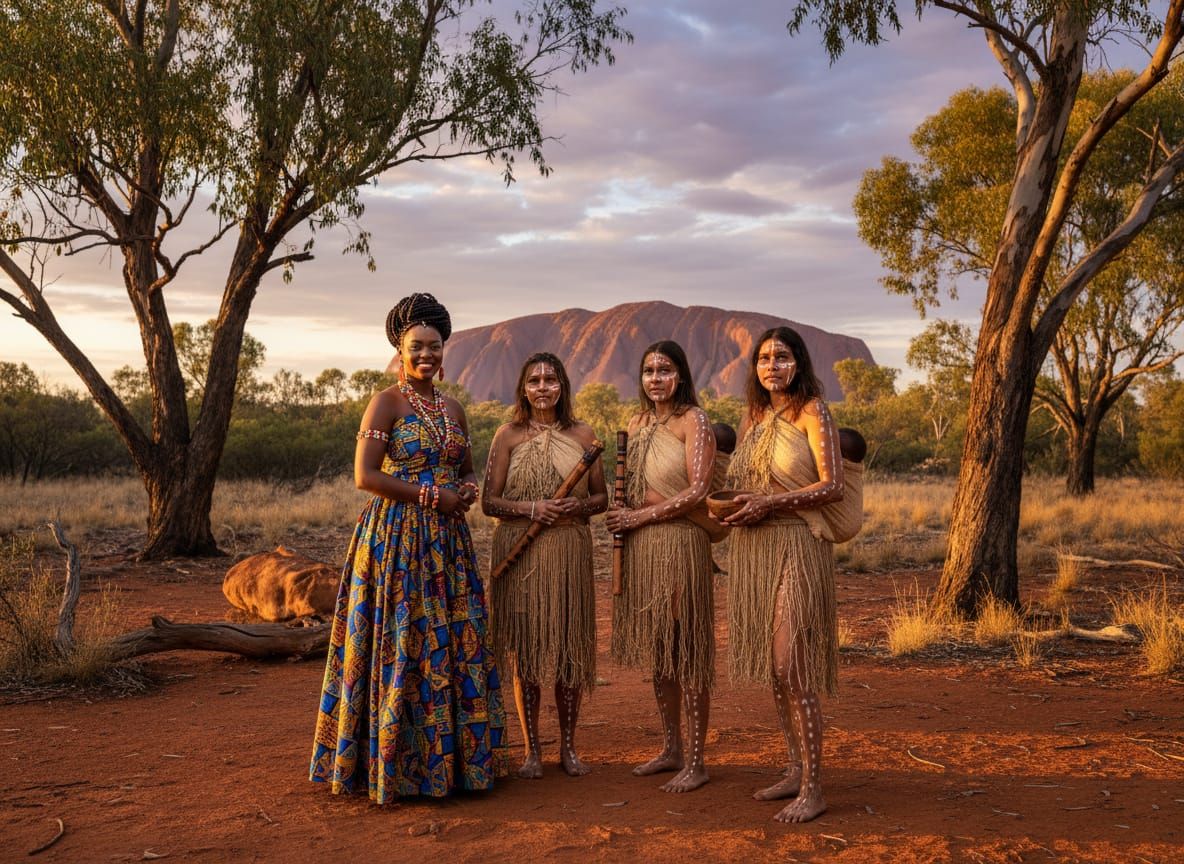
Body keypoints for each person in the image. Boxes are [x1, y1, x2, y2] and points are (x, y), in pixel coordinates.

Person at [310, 293, 508, 802]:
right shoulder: (386, 402)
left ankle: (453, 767)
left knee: (447, 639)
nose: (426, 354)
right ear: (400, 351)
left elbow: (466, 469)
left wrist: (464, 490)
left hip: (447, 543)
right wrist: (427, 495)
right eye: (416, 346)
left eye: (434, 346)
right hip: (395, 538)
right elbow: (364, 475)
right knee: (402, 640)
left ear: (445, 351)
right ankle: (391, 768)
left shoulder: (455, 408)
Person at [722, 326, 844, 823]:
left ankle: (814, 786)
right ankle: (795, 767)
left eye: (782, 356)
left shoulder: (813, 411)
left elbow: (833, 485)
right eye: (764, 358)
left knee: (792, 660)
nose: (772, 366)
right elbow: (741, 483)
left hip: (799, 541)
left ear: (799, 363)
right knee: (775, 665)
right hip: (756, 547)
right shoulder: (755, 417)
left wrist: (770, 502)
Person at [482, 352, 608, 778]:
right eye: (533, 380)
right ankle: (532, 752)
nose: (542, 388)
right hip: (519, 549)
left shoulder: (583, 433)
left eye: (550, 380)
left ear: (562, 386)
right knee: (529, 654)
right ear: (522, 388)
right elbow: (489, 502)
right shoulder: (508, 435)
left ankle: (569, 749)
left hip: (569, 548)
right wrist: (533, 507)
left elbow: (601, 500)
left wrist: (577, 504)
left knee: (570, 650)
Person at [606, 340, 717, 793]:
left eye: (665, 370)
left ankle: (697, 760)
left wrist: (638, 515)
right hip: (644, 549)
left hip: (682, 543)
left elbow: (697, 492)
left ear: (681, 375)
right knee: (661, 653)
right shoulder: (636, 423)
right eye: (649, 370)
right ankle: (671, 748)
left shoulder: (695, 420)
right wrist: (622, 512)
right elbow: (632, 488)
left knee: (686, 650)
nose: (655, 378)